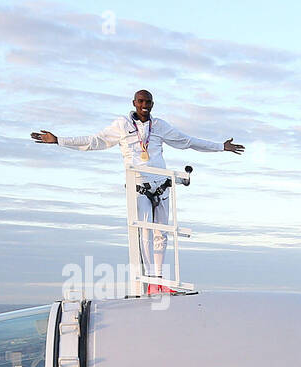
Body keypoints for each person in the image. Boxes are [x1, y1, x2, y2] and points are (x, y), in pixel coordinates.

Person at [30, 90, 243, 289]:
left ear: (152, 104)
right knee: (144, 233)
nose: (144, 105)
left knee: (162, 234)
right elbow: (95, 141)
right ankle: (149, 279)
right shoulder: (122, 125)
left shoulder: (159, 126)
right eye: (140, 101)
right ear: (134, 103)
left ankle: (158, 280)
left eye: (148, 102)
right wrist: (58, 140)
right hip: (138, 185)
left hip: (162, 184)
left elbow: (187, 141)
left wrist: (220, 147)